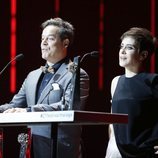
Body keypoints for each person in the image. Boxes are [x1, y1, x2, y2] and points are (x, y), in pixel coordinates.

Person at [0, 17, 89, 158]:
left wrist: (29, 111)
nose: (44, 43)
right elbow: (15, 105)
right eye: (42, 39)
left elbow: (68, 107)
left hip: (59, 149)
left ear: (65, 43)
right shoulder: (32, 76)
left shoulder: (76, 74)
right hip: (32, 148)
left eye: (50, 39)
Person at [105, 27, 158, 158]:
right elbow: (113, 119)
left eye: (129, 48)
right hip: (116, 149)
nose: (122, 51)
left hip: (144, 152)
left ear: (143, 55)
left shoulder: (152, 81)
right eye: (121, 46)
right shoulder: (116, 81)